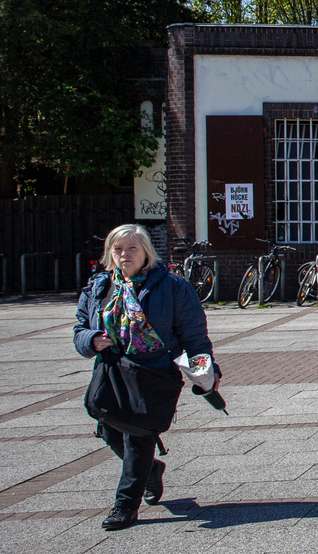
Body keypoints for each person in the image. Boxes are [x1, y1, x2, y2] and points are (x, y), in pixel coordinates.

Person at [74, 224, 216, 531]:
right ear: (109, 254)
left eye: (132, 248)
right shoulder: (99, 286)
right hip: (112, 371)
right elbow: (79, 331)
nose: (125, 255)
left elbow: (194, 336)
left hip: (154, 373)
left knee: (139, 436)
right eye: (118, 249)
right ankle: (151, 470)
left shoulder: (173, 287)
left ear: (146, 252)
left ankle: (125, 505)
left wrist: (206, 371)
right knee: (110, 428)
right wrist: (92, 339)